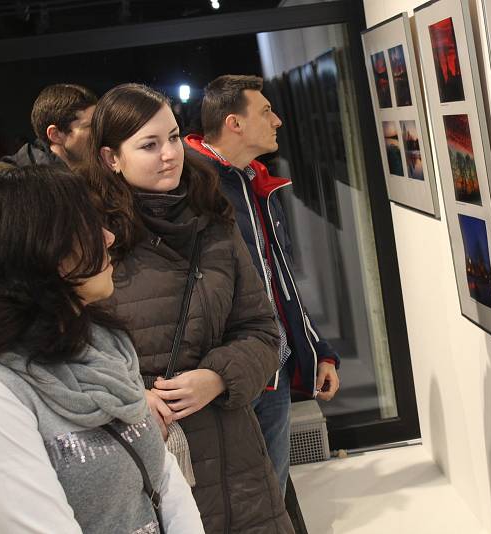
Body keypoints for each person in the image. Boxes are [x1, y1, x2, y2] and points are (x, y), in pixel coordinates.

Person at [85, 83, 293, 534]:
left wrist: (218, 376)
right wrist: (130, 398)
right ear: (110, 158)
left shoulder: (214, 217)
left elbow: (261, 330)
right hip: (143, 454)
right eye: (149, 144)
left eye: (175, 137)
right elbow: (65, 349)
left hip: (234, 453)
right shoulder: (85, 239)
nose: (169, 154)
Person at [0, 166, 204, 533]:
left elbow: (163, 480)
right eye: (87, 228)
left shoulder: (105, 348)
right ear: (42, 250)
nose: (109, 237)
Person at [185, 74, 341, 496]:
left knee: (272, 492)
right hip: (222, 376)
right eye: (266, 111)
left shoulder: (254, 182)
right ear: (234, 123)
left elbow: (280, 280)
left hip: (273, 365)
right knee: (229, 499)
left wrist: (318, 349)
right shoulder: (190, 186)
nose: (278, 121)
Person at [2, 83, 96, 168]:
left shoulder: (97, 169)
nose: (100, 132)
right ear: (55, 135)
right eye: (90, 127)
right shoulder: (17, 184)